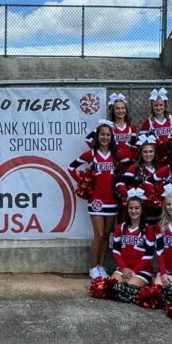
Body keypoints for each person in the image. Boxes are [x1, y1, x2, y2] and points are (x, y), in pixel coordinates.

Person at [69, 120, 122, 279]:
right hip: (96, 200)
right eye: (102, 134)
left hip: (112, 199)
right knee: (98, 234)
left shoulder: (115, 154)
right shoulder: (91, 154)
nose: (105, 137)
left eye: (108, 135)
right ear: (97, 136)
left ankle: (101, 266)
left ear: (111, 137)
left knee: (107, 234)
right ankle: (92, 267)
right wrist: (84, 183)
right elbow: (71, 167)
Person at [109, 190, 156, 287]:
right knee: (112, 287)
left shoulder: (148, 229)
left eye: (137, 208)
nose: (134, 211)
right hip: (124, 269)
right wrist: (123, 268)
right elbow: (116, 251)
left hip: (142, 270)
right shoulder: (120, 228)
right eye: (131, 208)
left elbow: (149, 254)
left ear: (142, 209)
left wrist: (134, 271)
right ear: (127, 209)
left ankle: (147, 280)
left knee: (129, 289)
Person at [115, 136, 160, 224]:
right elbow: (119, 184)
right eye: (145, 152)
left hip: (156, 210)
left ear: (155, 153)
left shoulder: (158, 168)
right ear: (141, 153)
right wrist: (130, 194)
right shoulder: (134, 168)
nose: (148, 154)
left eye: (151, 151)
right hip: (140, 211)